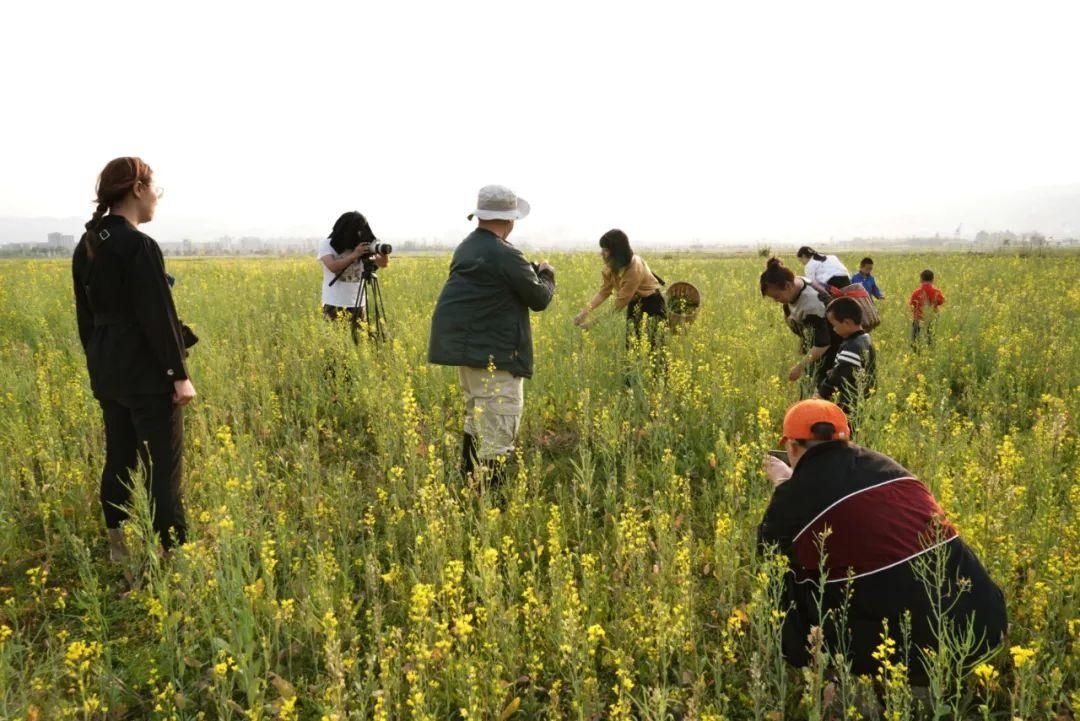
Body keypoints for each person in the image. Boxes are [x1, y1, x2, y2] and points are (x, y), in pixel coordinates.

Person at [759, 400, 1007, 684]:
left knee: (781, 579)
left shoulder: (794, 494)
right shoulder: (885, 465)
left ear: (791, 447)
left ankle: (826, 671)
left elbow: (768, 549)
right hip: (986, 623)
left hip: (917, 655)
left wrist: (784, 487)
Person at [72, 157, 197, 557]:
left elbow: (85, 318)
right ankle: (170, 556)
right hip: (147, 374)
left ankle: (118, 548)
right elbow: (158, 317)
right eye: (154, 188)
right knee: (164, 467)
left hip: (108, 370)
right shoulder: (139, 245)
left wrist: (98, 367)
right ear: (138, 189)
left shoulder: (88, 245)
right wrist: (178, 374)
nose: (156, 198)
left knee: (120, 458)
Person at [428, 185, 555, 487]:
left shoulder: (466, 248)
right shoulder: (504, 253)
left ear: (480, 216)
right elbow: (539, 299)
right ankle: (488, 506)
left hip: (469, 355)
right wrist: (547, 275)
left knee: (476, 418)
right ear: (510, 220)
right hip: (496, 356)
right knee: (497, 432)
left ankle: (468, 485)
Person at [573, 229, 666, 346]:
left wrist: (592, 324)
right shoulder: (611, 266)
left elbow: (617, 307)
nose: (601, 253)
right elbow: (603, 292)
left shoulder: (634, 269)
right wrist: (583, 313)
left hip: (652, 305)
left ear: (617, 253)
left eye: (605, 250)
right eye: (602, 249)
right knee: (632, 346)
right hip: (635, 304)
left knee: (655, 348)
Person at [759, 258, 841, 389]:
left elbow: (823, 343)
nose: (776, 301)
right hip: (817, 351)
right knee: (808, 388)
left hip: (832, 353)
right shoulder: (795, 285)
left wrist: (799, 367)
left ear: (787, 286)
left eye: (777, 297)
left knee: (816, 393)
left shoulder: (812, 303)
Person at [318, 211, 389, 323]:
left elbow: (383, 263)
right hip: (334, 303)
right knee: (336, 339)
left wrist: (382, 251)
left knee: (360, 339)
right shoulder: (327, 244)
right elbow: (332, 266)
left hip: (358, 304)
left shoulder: (362, 244)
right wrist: (355, 254)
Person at [817, 297, 877, 425]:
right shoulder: (864, 338)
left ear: (847, 323)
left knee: (847, 430)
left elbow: (839, 374)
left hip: (849, 401)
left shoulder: (853, 346)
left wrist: (821, 393)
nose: (834, 329)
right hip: (860, 398)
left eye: (834, 325)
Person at [909, 269, 945, 348]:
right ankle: (930, 352)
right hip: (931, 319)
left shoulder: (916, 292)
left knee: (915, 340)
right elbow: (942, 301)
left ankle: (916, 354)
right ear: (932, 279)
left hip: (918, 319)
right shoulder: (936, 292)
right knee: (930, 339)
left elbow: (912, 305)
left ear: (921, 279)